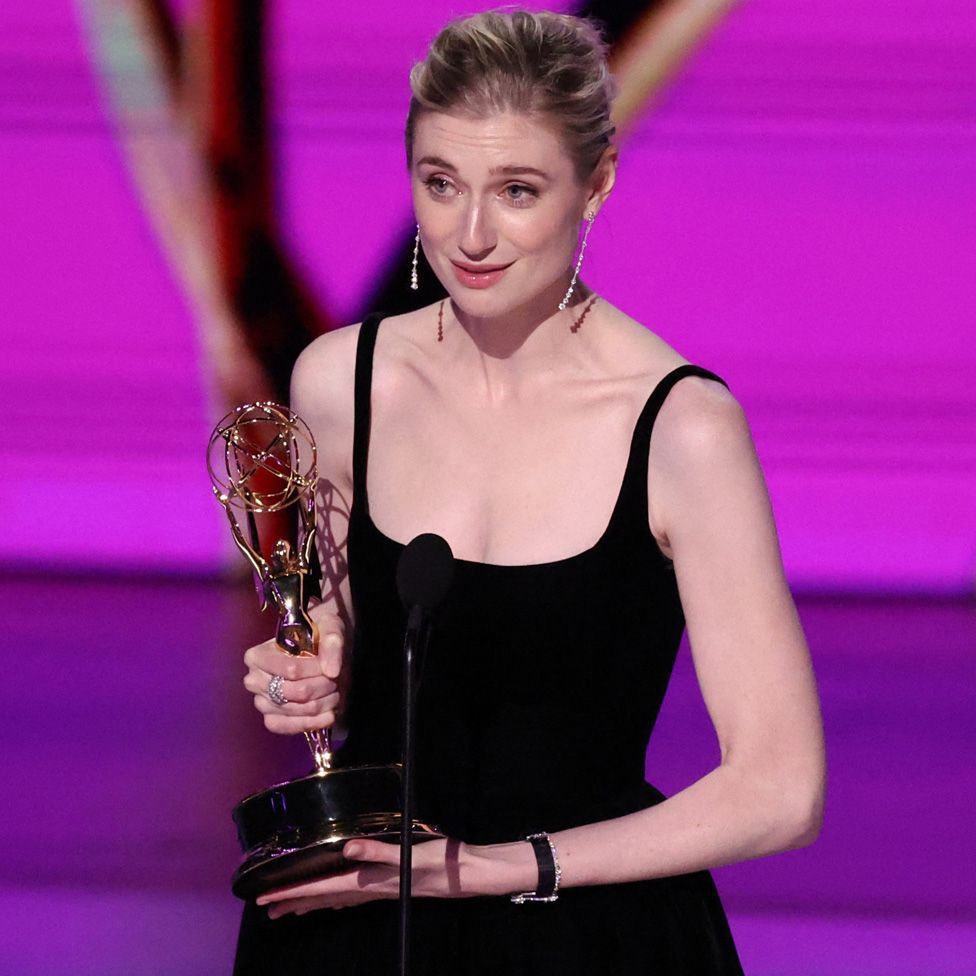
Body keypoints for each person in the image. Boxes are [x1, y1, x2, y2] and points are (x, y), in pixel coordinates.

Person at [234, 9, 825, 974]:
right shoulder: (340, 383)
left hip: (584, 933)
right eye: (441, 184)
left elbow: (781, 788)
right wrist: (310, 673)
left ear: (597, 185)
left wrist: (490, 868)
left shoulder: (681, 426)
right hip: (361, 921)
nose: (471, 234)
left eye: (517, 190)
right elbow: (335, 641)